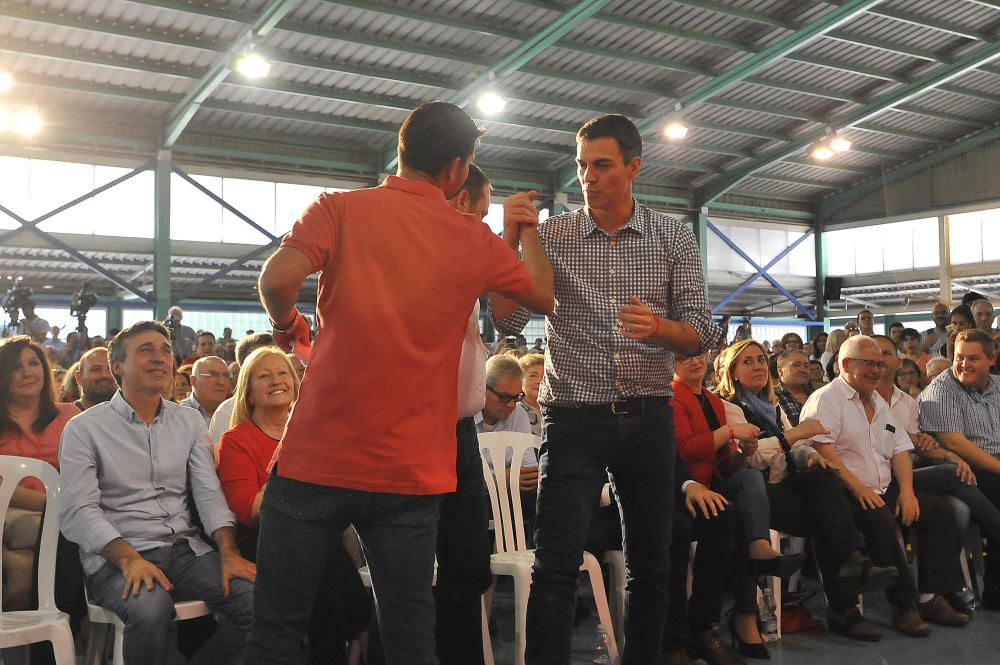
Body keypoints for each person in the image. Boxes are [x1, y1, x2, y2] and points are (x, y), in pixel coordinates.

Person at [245, 101, 553, 665]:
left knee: (278, 630)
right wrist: (524, 229)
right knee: (411, 630)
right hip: (410, 469)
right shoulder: (472, 240)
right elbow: (539, 294)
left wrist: (287, 325)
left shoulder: (338, 209)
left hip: (318, 457)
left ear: (401, 150)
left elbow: (277, 279)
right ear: (458, 169)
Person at [490, 114, 720, 665]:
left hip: (647, 415)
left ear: (634, 167)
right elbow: (509, 322)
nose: (588, 177)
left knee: (652, 563)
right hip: (575, 418)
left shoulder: (672, 235)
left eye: (602, 165)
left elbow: (701, 333)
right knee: (555, 563)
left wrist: (658, 327)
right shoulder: (552, 235)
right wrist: (508, 239)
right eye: (581, 166)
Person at [59, 321, 256, 665]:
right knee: (151, 611)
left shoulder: (189, 422)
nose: (160, 358)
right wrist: (129, 559)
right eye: (146, 350)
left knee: (259, 602)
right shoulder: (84, 428)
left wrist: (228, 551)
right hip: (118, 556)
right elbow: (79, 510)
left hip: (185, 552)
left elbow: (209, 494)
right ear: (116, 366)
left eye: (165, 350)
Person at [716, 339, 898, 643]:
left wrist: (809, 454)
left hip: (780, 484)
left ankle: (852, 568)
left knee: (824, 482)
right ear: (732, 371)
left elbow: (796, 447)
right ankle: (846, 605)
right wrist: (797, 435)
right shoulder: (728, 406)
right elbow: (751, 457)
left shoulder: (770, 405)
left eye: (761, 359)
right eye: (747, 361)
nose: (758, 366)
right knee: (828, 516)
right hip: (751, 494)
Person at [801, 335, 969, 637]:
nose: (877, 369)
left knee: (936, 509)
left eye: (880, 363)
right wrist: (859, 489)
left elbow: (900, 450)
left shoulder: (878, 402)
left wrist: (907, 492)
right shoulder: (827, 399)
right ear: (845, 364)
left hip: (882, 486)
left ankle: (930, 597)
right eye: (869, 363)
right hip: (843, 491)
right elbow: (824, 452)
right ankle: (905, 606)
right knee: (881, 518)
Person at [217, 347, 370, 665]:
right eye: (264, 375)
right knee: (327, 572)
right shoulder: (237, 439)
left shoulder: (316, 434)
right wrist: (293, 469)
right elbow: (247, 510)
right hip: (264, 541)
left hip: (320, 536)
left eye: (283, 373)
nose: (276, 380)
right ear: (249, 393)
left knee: (333, 566)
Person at [672, 349, 802, 659]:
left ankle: (758, 548)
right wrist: (729, 432)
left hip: (714, 486)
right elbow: (685, 451)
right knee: (736, 512)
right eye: (684, 356)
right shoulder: (672, 396)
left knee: (749, 481)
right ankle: (725, 621)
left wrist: (743, 452)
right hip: (680, 490)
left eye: (698, 354)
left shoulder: (713, 400)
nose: (694, 361)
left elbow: (723, 465)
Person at [0, 336, 86, 665]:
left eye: (33, 363)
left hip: (49, 524)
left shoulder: (68, 417)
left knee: (23, 571)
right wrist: (55, 503)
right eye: (16, 366)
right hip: (12, 514)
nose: (27, 372)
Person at [918, 328, 1000, 609]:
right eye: (958, 357)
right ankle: (996, 595)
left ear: (992, 358)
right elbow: (956, 444)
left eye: (973, 358)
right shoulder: (941, 390)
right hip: (966, 469)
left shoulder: (999, 386)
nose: (963, 364)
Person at [208, 332, 275, 444]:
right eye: (261, 361)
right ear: (245, 369)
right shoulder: (226, 413)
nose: (271, 368)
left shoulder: (295, 407)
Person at [181, 356, 231, 425]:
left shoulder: (236, 414)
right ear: (193, 381)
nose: (221, 382)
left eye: (226, 376)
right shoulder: (177, 415)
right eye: (213, 375)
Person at [773, 349, 812, 427]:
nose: (803, 370)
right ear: (780, 371)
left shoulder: (816, 395)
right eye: (796, 365)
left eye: (806, 366)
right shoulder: (771, 397)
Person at [73, 346, 116, 410]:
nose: (105, 375)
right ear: (79, 377)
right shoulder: (66, 417)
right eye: (96, 369)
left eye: (110, 369)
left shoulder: (130, 416)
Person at [518, 352, 544, 437]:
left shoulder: (555, 411)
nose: (539, 381)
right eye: (533, 376)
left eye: (544, 377)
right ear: (521, 379)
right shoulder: (513, 411)